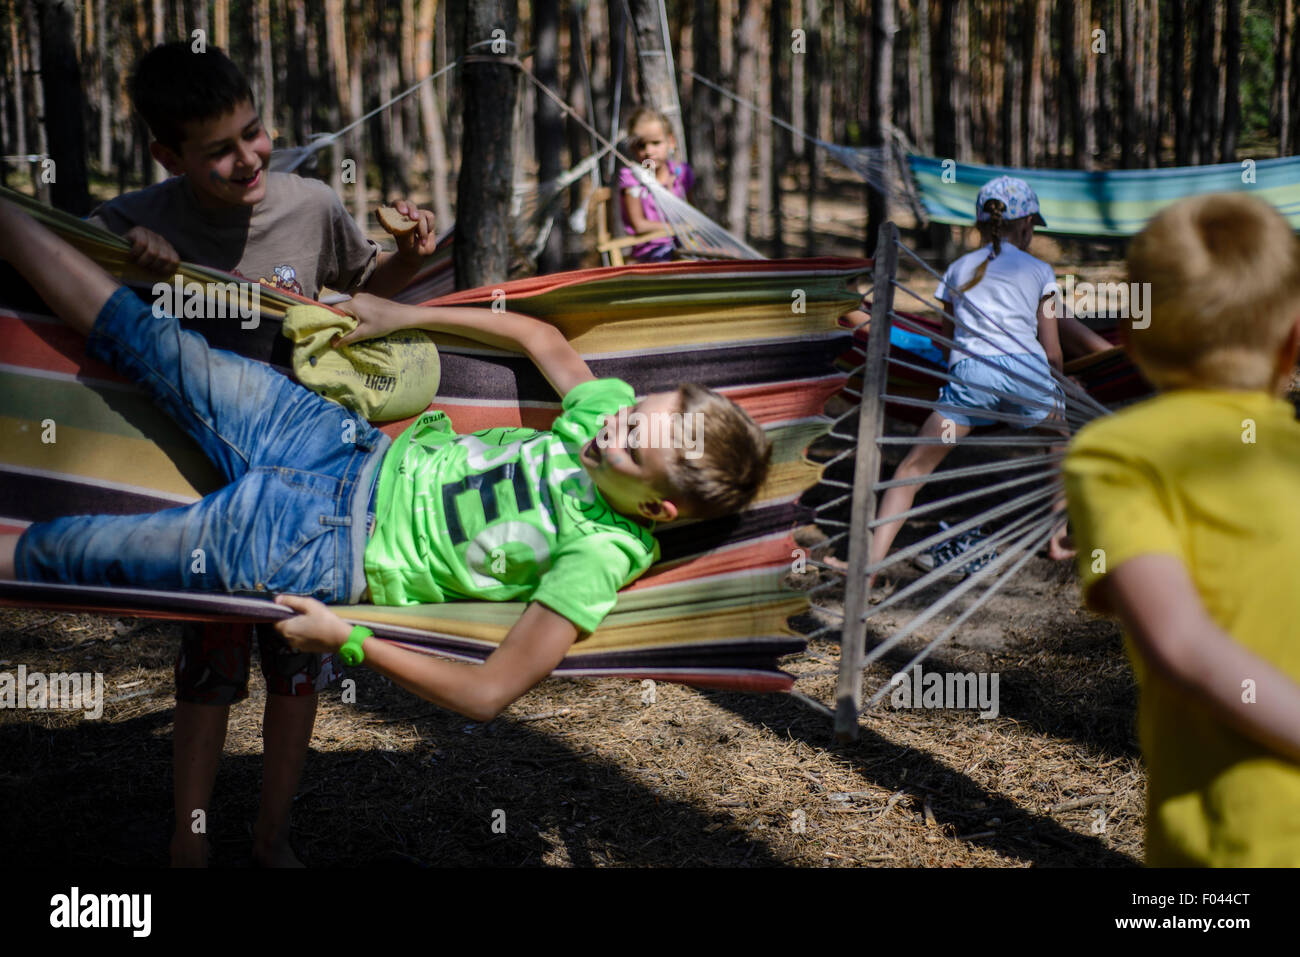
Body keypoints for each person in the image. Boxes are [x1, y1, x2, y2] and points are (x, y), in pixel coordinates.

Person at [0, 198, 773, 785]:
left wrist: (350, 639)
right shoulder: (603, 414)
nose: (618, 426)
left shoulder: (603, 552)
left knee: (78, 552)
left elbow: (487, 693)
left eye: (633, 447)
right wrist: (405, 312)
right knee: (147, 338)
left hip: (319, 544)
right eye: (638, 411)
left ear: (655, 509)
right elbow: (544, 339)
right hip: (337, 440)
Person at [83, 42, 439, 867]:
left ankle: (274, 838)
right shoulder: (138, 220)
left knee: (297, 659)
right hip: (206, 486)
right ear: (169, 156)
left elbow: (369, 298)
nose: (248, 158)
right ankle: (189, 839)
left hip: (314, 481)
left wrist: (414, 250)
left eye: (254, 133)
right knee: (208, 662)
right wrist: (130, 254)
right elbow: (68, 271)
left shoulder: (311, 206)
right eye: (219, 150)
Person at [1063, 192, 1300, 867]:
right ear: (1293, 339)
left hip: (1231, 844)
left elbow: (1182, 642)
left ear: (1128, 340)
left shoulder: (1116, 454)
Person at [866, 176, 1068, 587]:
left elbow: (946, 342)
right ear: (1027, 224)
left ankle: (868, 568)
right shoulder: (1040, 270)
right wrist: (1062, 387)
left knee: (912, 468)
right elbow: (1051, 352)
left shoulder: (957, 269)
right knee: (1060, 439)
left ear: (980, 225)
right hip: (1024, 375)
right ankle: (1057, 540)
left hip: (970, 379)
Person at [616, 107, 695, 263]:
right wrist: (676, 228)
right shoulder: (632, 180)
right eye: (641, 145)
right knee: (672, 259)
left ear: (671, 142)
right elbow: (639, 225)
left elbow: (691, 213)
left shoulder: (682, 174)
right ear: (633, 148)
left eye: (656, 143)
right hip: (652, 251)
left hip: (685, 243)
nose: (649, 151)